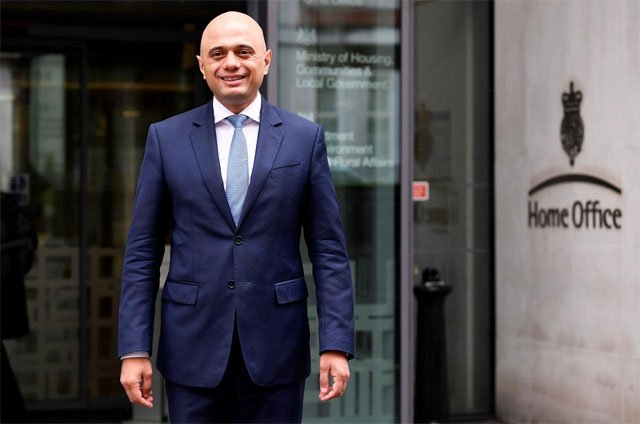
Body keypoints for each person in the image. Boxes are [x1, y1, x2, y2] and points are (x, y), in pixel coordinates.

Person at [118, 11, 355, 423]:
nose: (231, 62)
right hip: (191, 349)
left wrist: (335, 343)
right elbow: (142, 252)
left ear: (265, 60)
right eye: (218, 53)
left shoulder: (304, 138)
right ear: (202, 66)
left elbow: (329, 251)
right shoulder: (166, 138)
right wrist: (134, 348)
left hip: (277, 349)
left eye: (243, 51)